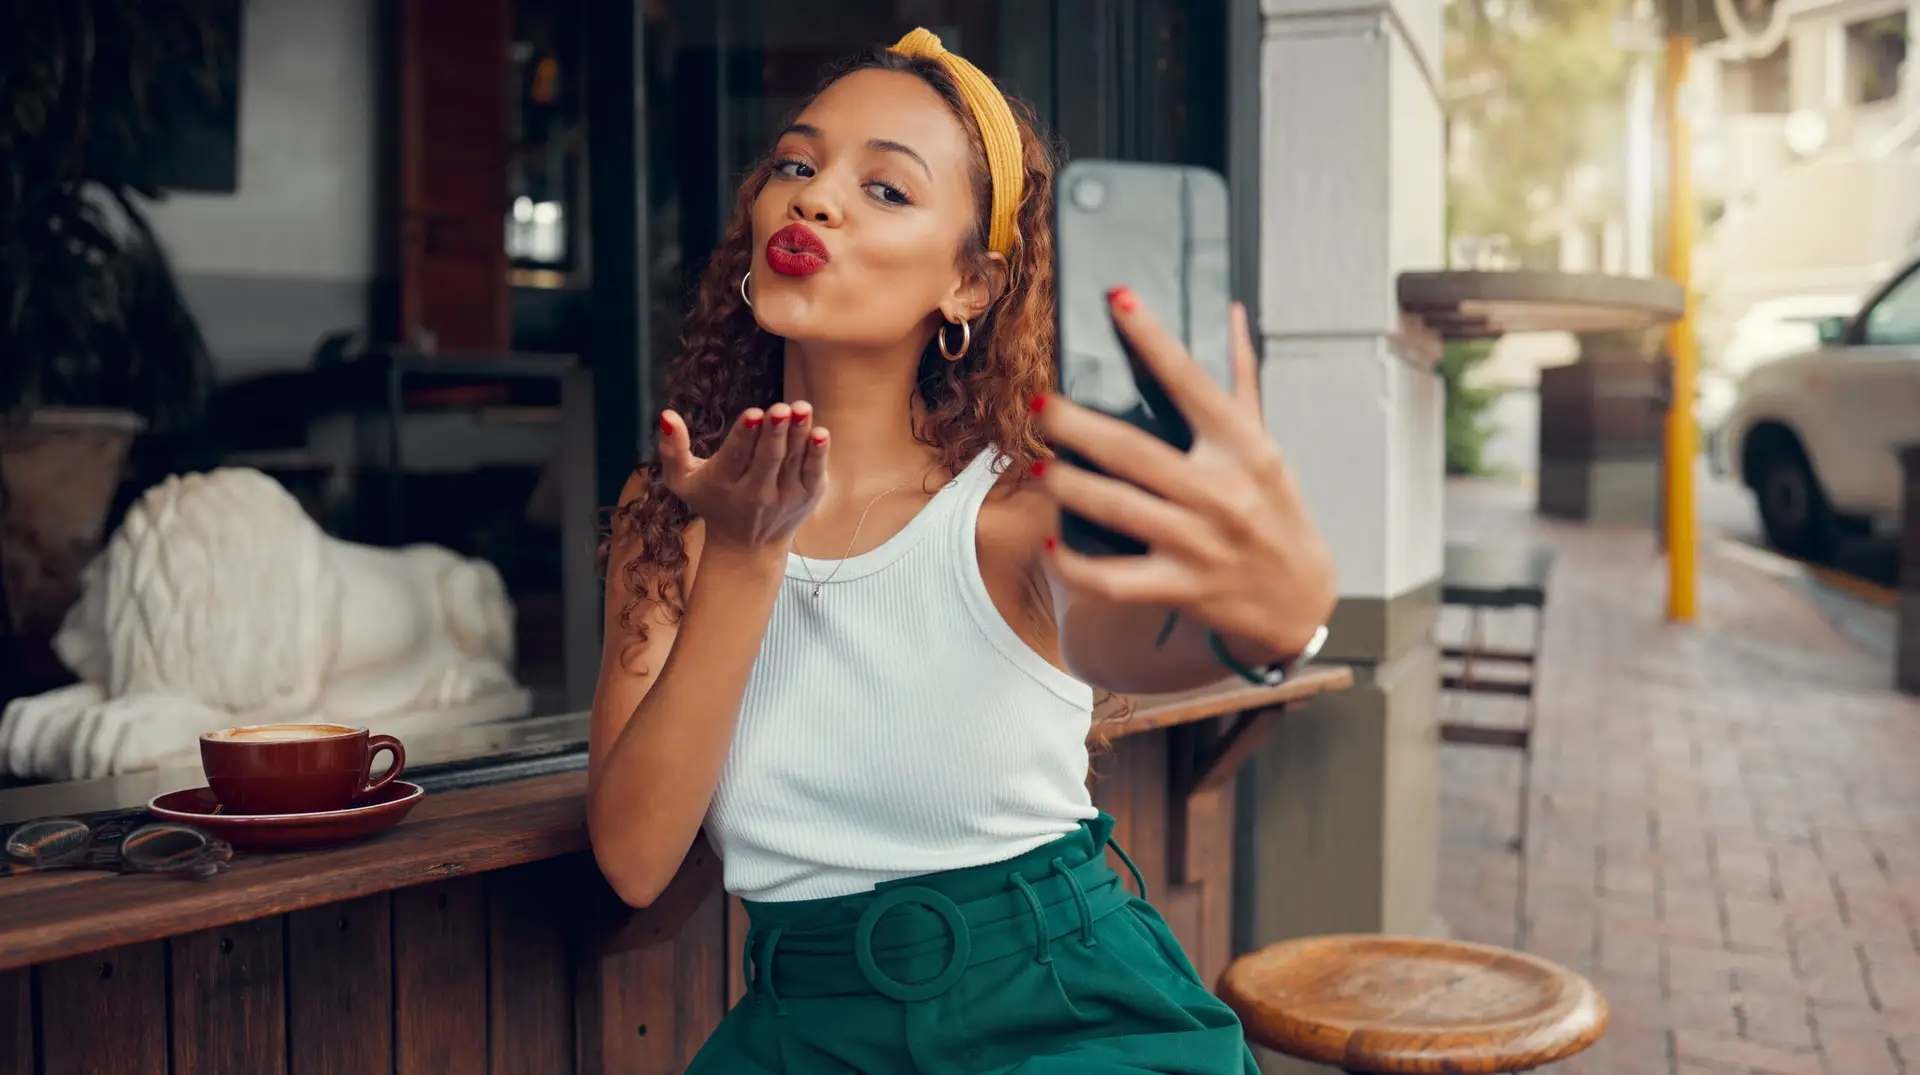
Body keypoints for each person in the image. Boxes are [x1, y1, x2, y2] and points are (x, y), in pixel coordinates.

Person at [588, 28, 1336, 1074]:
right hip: (805, 1027)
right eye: (796, 166)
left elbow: (1149, 643)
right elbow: (633, 856)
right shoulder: (669, 512)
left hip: (1062, 1008)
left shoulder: (1016, 509)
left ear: (972, 287)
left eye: (887, 190)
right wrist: (748, 558)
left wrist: (1277, 621)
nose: (814, 200)